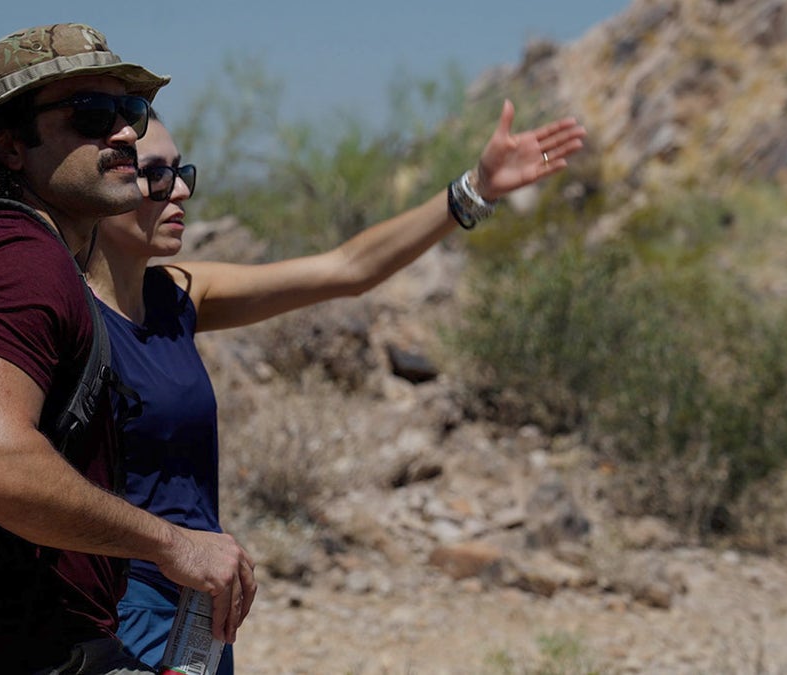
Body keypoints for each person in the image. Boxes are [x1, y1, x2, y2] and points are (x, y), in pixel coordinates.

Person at [85, 104, 586, 670]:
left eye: (182, 172)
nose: (178, 191)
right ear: (100, 189)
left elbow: (349, 267)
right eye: (155, 174)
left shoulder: (180, 295)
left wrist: (473, 190)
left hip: (203, 612)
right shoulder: (64, 317)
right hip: (117, 616)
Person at [0, 24, 254, 674]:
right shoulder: (13, 258)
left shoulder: (24, 254)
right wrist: (168, 542)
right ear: (11, 145)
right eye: (92, 114)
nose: (127, 134)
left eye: (130, 112)